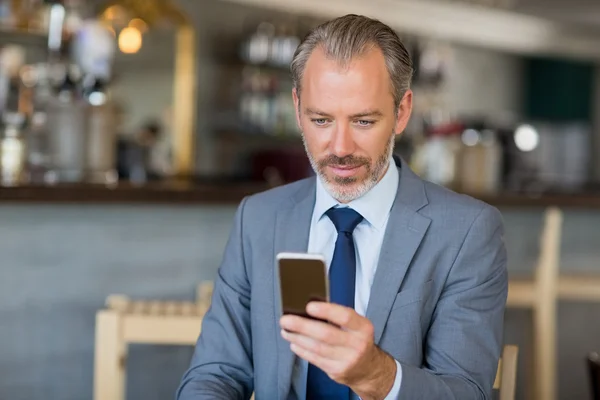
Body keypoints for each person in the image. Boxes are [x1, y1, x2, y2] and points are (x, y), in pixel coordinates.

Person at [177, 14, 508, 400]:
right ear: (297, 108)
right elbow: (216, 373)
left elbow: (467, 392)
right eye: (320, 120)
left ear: (402, 112)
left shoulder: (467, 232)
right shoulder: (258, 218)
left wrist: (377, 376)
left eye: (364, 121)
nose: (340, 148)